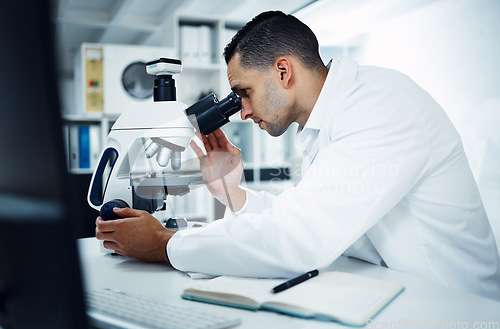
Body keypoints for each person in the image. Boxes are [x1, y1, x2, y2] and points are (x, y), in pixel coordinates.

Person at [95, 10, 500, 299]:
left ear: (283, 71)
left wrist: (166, 244)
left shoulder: (380, 105)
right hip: (400, 290)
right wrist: (232, 194)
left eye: (244, 93)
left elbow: (300, 238)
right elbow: (312, 219)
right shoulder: (329, 120)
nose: (244, 111)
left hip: (454, 306)